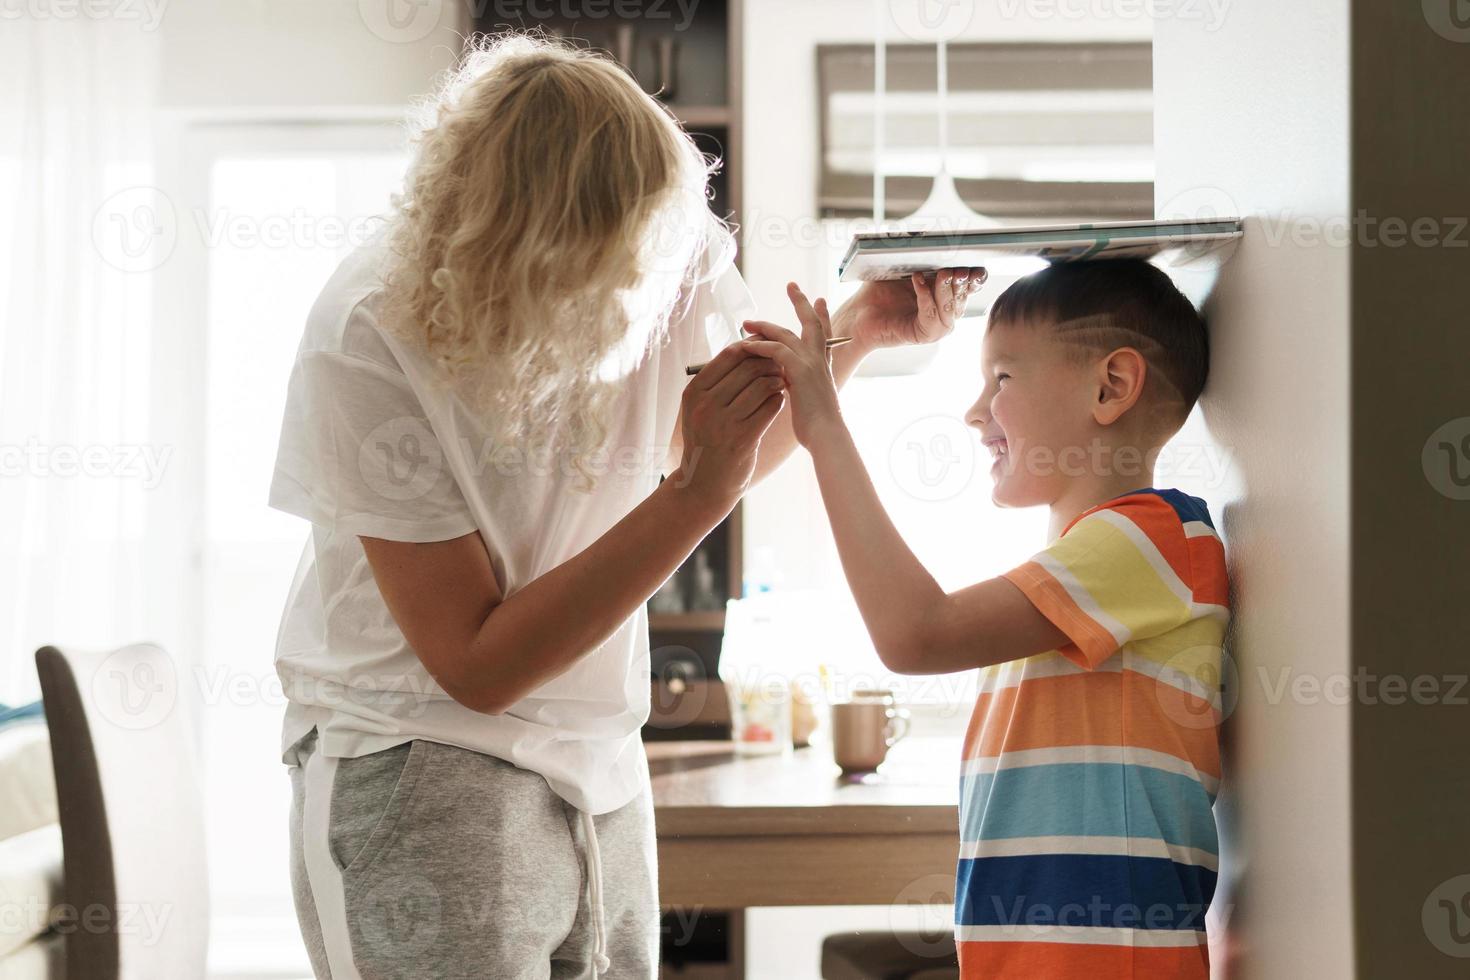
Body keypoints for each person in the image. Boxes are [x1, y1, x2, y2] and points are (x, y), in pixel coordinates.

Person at [267, 31, 983, 979]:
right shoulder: (368, 331)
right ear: (517, 233)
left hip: (599, 758)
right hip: (418, 758)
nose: (649, 285)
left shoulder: (656, 253)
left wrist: (852, 338)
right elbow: (475, 664)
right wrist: (694, 494)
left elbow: (714, 453)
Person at [743, 259, 1229, 978]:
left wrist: (824, 426)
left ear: (1111, 386)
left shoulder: (1154, 537)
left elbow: (915, 633)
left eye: (1001, 379)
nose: (975, 412)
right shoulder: (1072, 580)